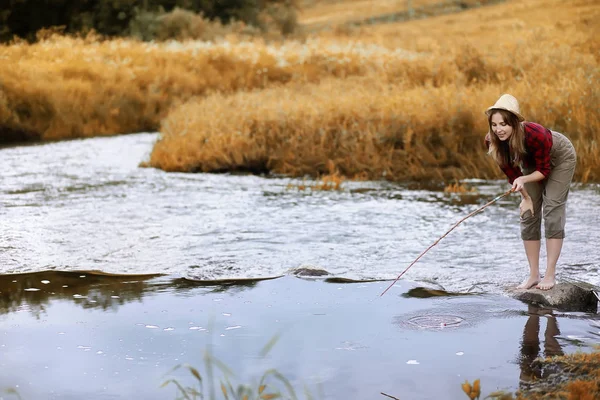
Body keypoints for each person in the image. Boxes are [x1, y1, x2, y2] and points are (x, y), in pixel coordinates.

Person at [484, 94, 577, 290]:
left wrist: (523, 179)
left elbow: (543, 171)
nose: (498, 129)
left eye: (504, 124)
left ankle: (550, 274)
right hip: (532, 163)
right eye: (494, 125)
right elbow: (512, 173)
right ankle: (534, 275)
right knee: (528, 213)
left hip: (560, 158)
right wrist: (525, 198)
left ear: (515, 123)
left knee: (552, 209)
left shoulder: (535, 133)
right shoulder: (493, 142)